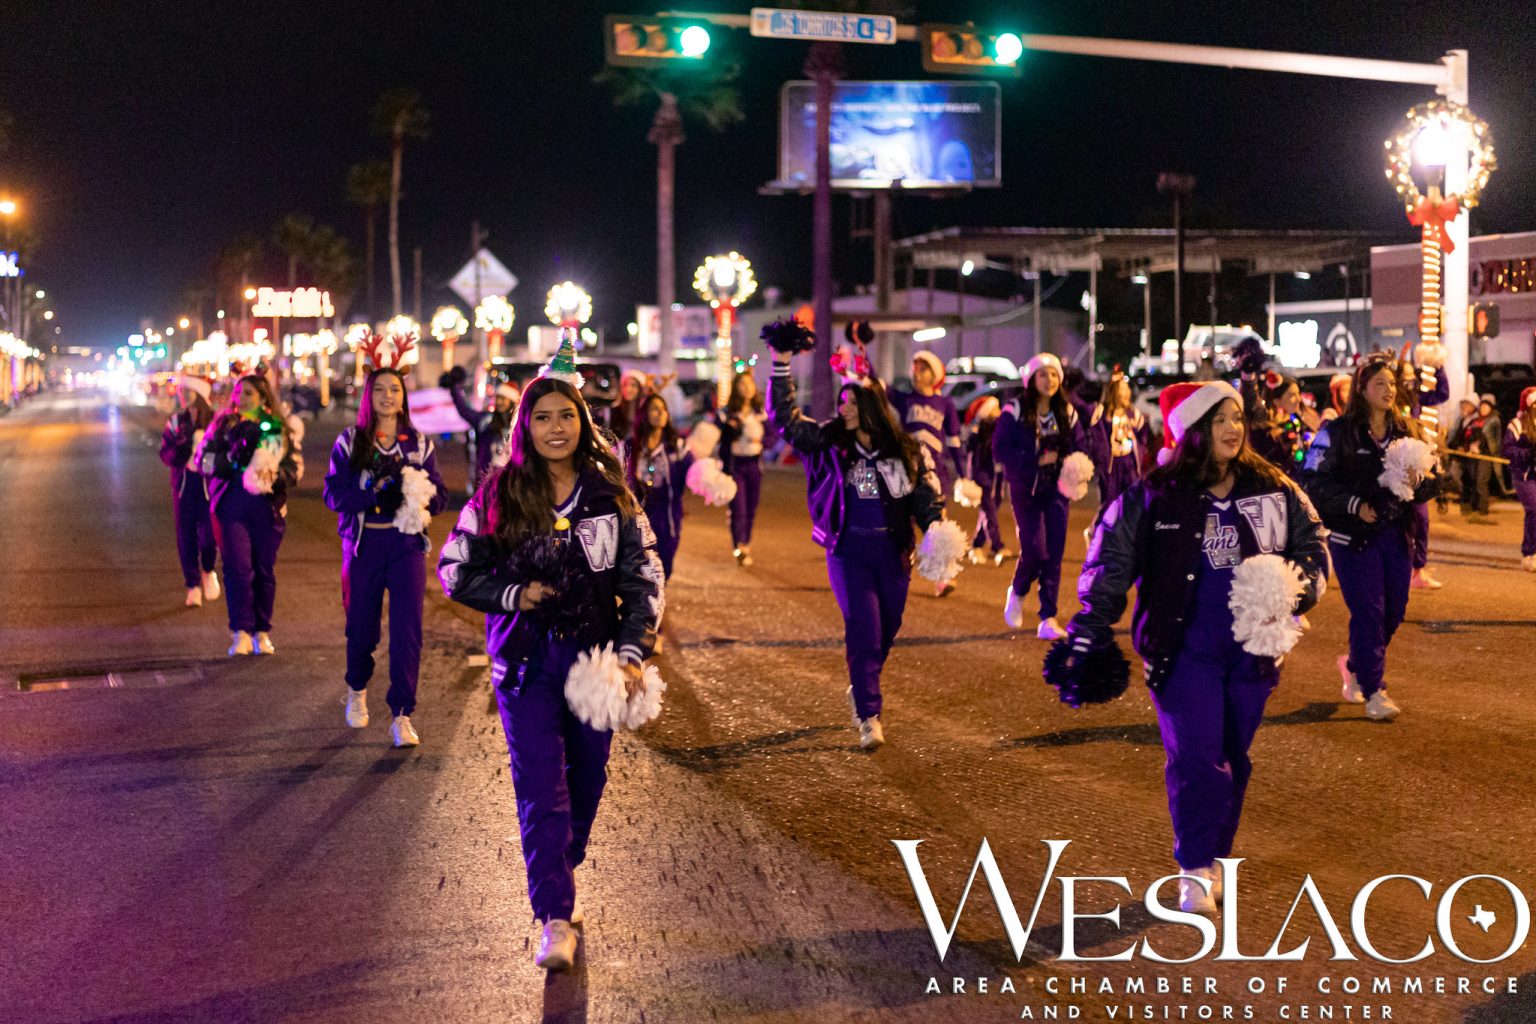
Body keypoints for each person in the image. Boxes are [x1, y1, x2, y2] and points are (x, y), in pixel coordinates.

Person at [1055, 381, 1328, 914]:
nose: (1233, 428)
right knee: (1197, 758)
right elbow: (1111, 558)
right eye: (1218, 419)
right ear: (1193, 431)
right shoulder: (1153, 494)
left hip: (1254, 649)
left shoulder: (1273, 486)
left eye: (1236, 417)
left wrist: (1299, 590)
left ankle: (1215, 854)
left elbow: (1311, 543)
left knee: (1233, 759)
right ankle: (1195, 867)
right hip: (1183, 651)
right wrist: (1092, 622)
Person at [437, 348, 664, 972]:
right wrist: (514, 594)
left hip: (594, 664)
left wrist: (631, 651)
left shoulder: (612, 495)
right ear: (525, 427)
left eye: (567, 416)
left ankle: (564, 867)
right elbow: (455, 568)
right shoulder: (500, 492)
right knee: (541, 787)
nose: (556, 427)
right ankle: (554, 916)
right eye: (543, 418)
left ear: (583, 424)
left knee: (586, 782)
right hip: (524, 663)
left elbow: (645, 575)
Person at [768, 349, 945, 750]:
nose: (843, 408)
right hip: (849, 553)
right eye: (841, 402)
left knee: (887, 629)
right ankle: (869, 714)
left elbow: (924, 496)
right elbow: (787, 422)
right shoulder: (830, 443)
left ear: (870, 406)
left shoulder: (904, 449)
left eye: (850, 402)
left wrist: (935, 525)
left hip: (894, 554)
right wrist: (781, 364)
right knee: (863, 629)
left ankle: (862, 684)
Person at [1303, 356, 1440, 721]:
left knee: (1394, 611)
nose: (1389, 390)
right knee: (1369, 612)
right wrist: (1353, 505)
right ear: (1361, 389)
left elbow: (1437, 479)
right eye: (1380, 383)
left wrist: (1420, 482)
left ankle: (1354, 663)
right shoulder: (1336, 432)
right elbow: (1313, 482)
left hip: (1395, 536)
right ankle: (1375, 690)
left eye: (1392, 383)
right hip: (1352, 540)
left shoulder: (1407, 429)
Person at [323, 364, 450, 747]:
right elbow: (333, 494)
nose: (388, 396)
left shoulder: (419, 444)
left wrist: (417, 492)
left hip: (406, 548)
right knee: (361, 628)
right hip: (363, 548)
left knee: (407, 632)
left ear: (403, 396)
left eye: (395, 389)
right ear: (368, 396)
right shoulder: (350, 441)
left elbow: (441, 496)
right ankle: (357, 687)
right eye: (380, 389)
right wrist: (373, 496)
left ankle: (402, 714)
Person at [196, 373, 303, 657]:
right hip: (231, 507)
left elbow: (295, 468)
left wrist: (274, 474)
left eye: (249, 394)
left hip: (267, 509)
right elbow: (201, 460)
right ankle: (240, 631)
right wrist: (230, 459)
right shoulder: (223, 424)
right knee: (238, 568)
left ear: (263, 398)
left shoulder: (278, 429)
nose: (242, 399)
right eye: (239, 393)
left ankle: (261, 631)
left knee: (264, 570)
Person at [994, 352, 1091, 639]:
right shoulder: (1014, 410)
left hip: (1057, 491)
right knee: (1036, 550)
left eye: (1053, 374)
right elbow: (1000, 449)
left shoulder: (1067, 412)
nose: (1048, 380)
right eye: (1042, 374)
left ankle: (1048, 617)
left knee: (1055, 555)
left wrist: (1071, 465)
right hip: (1026, 489)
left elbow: (1081, 445)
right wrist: (1035, 459)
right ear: (1031, 379)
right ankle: (1019, 590)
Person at [159, 375, 221, 608]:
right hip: (184, 486)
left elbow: (223, 454)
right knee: (185, 536)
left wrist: (208, 462)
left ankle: (207, 570)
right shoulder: (176, 422)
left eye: (188, 391)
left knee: (208, 535)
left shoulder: (216, 422)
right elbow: (165, 452)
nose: (182, 395)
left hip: (208, 487)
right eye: (182, 391)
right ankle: (192, 584)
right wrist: (182, 450)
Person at [890, 351, 966, 502]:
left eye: (923, 369)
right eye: (915, 368)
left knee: (936, 516)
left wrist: (962, 473)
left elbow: (953, 440)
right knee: (905, 517)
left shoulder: (945, 403)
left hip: (934, 468)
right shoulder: (905, 399)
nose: (917, 373)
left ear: (934, 375)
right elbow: (879, 387)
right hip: (908, 466)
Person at [1085, 369, 1151, 533]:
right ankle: (1098, 533)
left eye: (1126, 389)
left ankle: (1127, 536)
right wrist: (1102, 458)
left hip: (1129, 463)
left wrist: (1140, 452)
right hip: (1112, 465)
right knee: (1110, 501)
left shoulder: (1134, 414)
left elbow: (1143, 436)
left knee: (1132, 498)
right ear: (1114, 392)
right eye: (1122, 389)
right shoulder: (1102, 413)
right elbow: (1097, 437)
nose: (1126, 392)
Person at [716, 367, 768, 567]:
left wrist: (764, 440)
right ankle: (738, 545)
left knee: (752, 506)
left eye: (749, 384)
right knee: (738, 507)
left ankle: (746, 542)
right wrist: (732, 430)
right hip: (735, 464)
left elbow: (772, 435)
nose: (746, 388)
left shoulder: (761, 412)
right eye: (741, 384)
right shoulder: (727, 413)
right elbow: (720, 439)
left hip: (755, 463)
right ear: (736, 388)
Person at [963, 395, 1011, 566]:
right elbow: (970, 453)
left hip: (996, 475)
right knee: (989, 510)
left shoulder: (1000, 427)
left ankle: (977, 543)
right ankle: (997, 546)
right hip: (982, 474)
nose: (999, 411)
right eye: (995, 408)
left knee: (992, 507)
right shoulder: (981, 429)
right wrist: (969, 476)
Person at [451, 373, 518, 493]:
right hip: (486, 483)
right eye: (498, 398)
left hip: (511, 484)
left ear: (511, 401)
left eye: (503, 398)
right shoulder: (485, 421)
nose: (500, 402)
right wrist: (454, 389)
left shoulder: (518, 426)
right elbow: (465, 411)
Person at [1501, 387, 1536, 571]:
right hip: (1524, 474)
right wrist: (1528, 454)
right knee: (1534, 509)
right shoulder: (1517, 424)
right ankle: (1528, 553)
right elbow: (1507, 449)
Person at [1449, 395, 1494, 520]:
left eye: (1466, 405)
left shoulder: (1481, 420)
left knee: (1480, 482)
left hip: (1482, 456)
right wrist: (1457, 446)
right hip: (1468, 456)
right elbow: (1459, 437)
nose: (1462, 408)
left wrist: (1475, 445)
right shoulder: (1463, 420)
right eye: (1462, 405)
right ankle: (1472, 507)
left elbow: (1482, 437)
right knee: (1471, 481)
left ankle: (1482, 510)